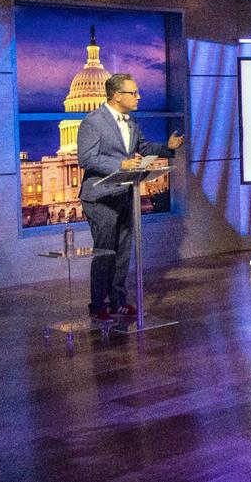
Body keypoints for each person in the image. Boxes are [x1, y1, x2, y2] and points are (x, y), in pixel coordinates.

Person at [78, 73, 183, 321]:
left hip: (125, 194)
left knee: (123, 253)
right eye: (134, 92)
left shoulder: (131, 122)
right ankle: (99, 304)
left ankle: (118, 302)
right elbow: (87, 158)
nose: (139, 96)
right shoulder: (93, 122)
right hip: (101, 197)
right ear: (117, 96)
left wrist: (167, 147)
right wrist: (121, 164)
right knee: (106, 252)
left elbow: (144, 149)